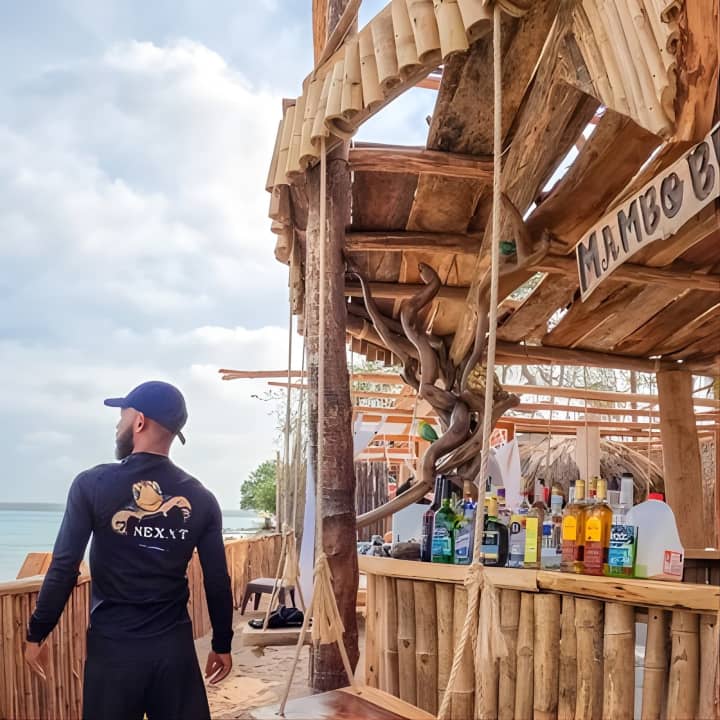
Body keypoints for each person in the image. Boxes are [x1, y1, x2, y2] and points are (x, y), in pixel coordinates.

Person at [24, 381, 234, 720]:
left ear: (139, 421)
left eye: (121, 417)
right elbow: (217, 580)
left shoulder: (92, 484)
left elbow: (64, 566)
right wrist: (221, 644)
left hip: (113, 655)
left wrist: (37, 632)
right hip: (174, 653)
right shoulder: (201, 498)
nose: (117, 426)